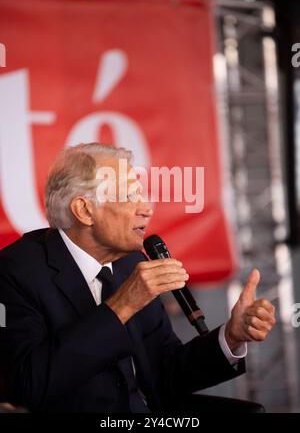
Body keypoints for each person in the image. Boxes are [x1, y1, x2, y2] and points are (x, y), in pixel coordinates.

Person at [0, 143, 276, 413]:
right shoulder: (16, 271)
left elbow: (166, 373)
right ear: (84, 211)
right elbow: (28, 385)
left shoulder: (131, 263)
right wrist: (123, 304)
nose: (147, 208)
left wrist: (231, 337)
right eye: (129, 197)